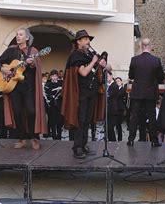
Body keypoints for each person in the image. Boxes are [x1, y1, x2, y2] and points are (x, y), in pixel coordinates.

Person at [0, 28, 46, 150]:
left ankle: (34, 138)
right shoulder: (10, 51)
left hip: (28, 87)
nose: (18, 36)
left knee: (31, 111)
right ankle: (21, 139)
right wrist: (3, 69)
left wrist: (32, 64)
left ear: (27, 38)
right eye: (17, 34)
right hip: (14, 87)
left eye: (21, 35)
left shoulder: (33, 51)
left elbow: (36, 70)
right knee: (17, 113)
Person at [61, 30, 106, 159]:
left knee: (87, 120)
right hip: (80, 93)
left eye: (88, 39)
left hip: (92, 93)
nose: (88, 41)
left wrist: (102, 64)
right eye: (85, 39)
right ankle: (77, 147)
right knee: (80, 120)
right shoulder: (76, 56)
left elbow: (105, 68)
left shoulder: (90, 54)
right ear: (78, 42)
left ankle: (84, 144)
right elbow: (84, 73)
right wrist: (93, 62)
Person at [127, 38, 164, 147]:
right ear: (150, 46)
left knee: (134, 116)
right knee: (152, 117)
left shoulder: (134, 60)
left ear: (141, 46)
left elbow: (131, 76)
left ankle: (130, 139)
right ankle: (154, 140)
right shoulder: (156, 60)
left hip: (137, 92)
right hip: (150, 93)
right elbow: (161, 76)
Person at [44, 70, 63, 140]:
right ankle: (54, 135)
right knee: (52, 121)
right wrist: (51, 96)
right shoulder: (48, 84)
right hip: (51, 105)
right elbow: (46, 93)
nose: (54, 77)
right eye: (53, 76)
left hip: (59, 104)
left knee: (60, 121)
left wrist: (61, 91)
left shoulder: (61, 83)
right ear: (51, 77)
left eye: (56, 76)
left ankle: (59, 135)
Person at [106, 71, 119, 141]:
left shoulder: (114, 85)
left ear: (111, 76)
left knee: (110, 127)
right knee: (108, 127)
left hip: (112, 109)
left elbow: (108, 95)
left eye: (107, 76)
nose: (106, 78)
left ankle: (113, 141)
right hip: (108, 109)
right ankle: (110, 141)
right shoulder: (108, 85)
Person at [115, 77, 127, 141]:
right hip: (116, 108)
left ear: (121, 82)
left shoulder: (122, 89)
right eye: (116, 81)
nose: (118, 82)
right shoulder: (116, 89)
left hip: (120, 108)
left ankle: (120, 139)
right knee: (116, 124)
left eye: (119, 81)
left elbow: (118, 95)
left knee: (119, 124)